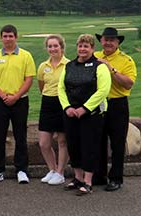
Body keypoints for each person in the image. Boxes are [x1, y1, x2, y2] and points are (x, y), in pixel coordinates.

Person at [58, 34, 111, 196]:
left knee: (89, 146)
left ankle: (88, 181)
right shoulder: (69, 66)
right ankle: (78, 178)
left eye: (86, 46)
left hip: (92, 114)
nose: (82, 49)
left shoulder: (99, 66)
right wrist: (67, 107)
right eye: (80, 46)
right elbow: (61, 88)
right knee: (74, 146)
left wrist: (85, 108)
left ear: (93, 48)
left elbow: (103, 90)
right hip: (71, 113)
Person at [0, 24, 35, 184]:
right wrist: (3, 95)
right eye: (5, 36)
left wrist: (16, 96)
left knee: (20, 136)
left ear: (16, 37)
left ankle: (21, 170)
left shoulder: (25, 56)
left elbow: (29, 79)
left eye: (10, 36)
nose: (7, 39)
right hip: (0, 101)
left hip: (20, 101)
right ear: (1, 38)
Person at [93, 27, 137, 191]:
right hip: (99, 103)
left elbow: (128, 83)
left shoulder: (126, 60)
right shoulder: (95, 56)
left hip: (117, 103)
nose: (108, 42)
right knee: (99, 140)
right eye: (105, 39)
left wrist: (110, 68)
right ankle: (99, 175)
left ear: (118, 42)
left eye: (112, 40)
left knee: (118, 142)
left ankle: (116, 178)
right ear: (101, 41)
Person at [37, 35, 70, 185]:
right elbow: (41, 86)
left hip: (62, 103)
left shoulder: (69, 65)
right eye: (50, 46)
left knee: (63, 141)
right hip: (47, 103)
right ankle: (52, 169)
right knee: (44, 142)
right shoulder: (43, 66)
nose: (52, 49)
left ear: (61, 47)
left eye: (55, 46)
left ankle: (60, 172)